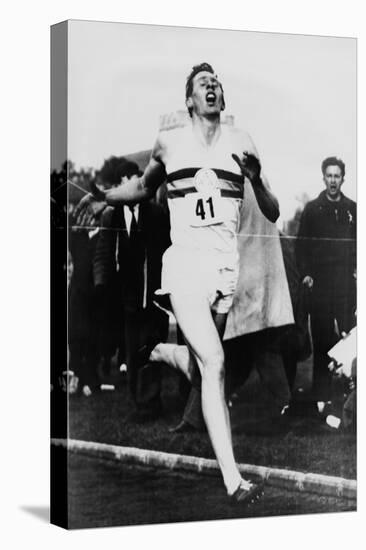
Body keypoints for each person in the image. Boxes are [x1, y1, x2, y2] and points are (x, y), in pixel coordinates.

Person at [76, 62, 280, 502]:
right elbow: (145, 189)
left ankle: (165, 351)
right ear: (189, 99)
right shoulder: (169, 144)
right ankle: (234, 482)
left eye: (216, 83)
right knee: (217, 364)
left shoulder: (242, 143)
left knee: (204, 369)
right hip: (185, 266)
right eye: (202, 84)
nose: (212, 87)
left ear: (222, 98)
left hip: (227, 268)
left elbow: (273, 209)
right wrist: (106, 196)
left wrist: (256, 179)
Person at [93, 160, 170, 420]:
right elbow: (103, 253)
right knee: (132, 350)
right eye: (130, 181)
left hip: (154, 294)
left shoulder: (157, 214)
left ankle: (150, 402)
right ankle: (141, 401)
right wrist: (101, 285)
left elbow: (166, 252)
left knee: (152, 347)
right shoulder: (111, 215)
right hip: (126, 297)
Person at [296, 156, 356, 405]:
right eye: (329, 176)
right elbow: (301, 246)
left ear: (343, 178)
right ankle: (320, 396)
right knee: (321, 339)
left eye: (337, 176)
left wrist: (356, 270)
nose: (333, 180)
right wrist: (306, 273)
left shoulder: (353, 209)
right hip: (320, 284)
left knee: (349, 336)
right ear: (324, 178)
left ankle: (348, 392)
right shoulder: (312, 209)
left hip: (345, 284)